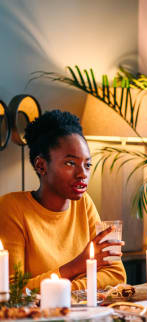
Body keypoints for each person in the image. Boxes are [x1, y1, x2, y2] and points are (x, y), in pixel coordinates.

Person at [0, 110, 126, 290]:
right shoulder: (11, 208)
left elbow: (115, 274)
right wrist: (78, 266)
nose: (83, 174)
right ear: (41, 165)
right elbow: (13, 291)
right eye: (70, 163)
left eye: (87, 165)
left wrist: (66, 290)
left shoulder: (84, 203)